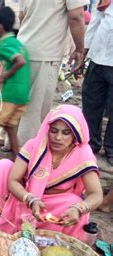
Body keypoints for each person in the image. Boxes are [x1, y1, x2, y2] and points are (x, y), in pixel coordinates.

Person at [0, 105, 103, 242]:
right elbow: (13, 180)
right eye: (53, 131)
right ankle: (0, 216)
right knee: (3, 166)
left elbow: (96, 194)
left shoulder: (82, 154)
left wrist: (78, 208)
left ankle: (49, 239)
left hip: (54, 204)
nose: (58, 137)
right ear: (47, 129)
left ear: (75, 134)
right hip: (23, 195)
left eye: (66, 133)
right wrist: (30, 199)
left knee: (74, 202)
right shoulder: (35, 145)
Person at [16, 0, 88, 146]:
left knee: (20, 105)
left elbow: (22, 16)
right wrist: (80, 49)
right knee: (35, 111)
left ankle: (12, 144)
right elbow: (76, 16)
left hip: (23, 46)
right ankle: (25, 155)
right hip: (45, 52)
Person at [0, 6, 30, 161]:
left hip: (10, 93)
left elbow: (20, 61)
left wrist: (3, 76)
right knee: (9, 127)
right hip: (22, 94)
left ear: (0, 26)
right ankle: (17, 158)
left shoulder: (5, 44)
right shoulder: (16, 42)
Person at [82, 0, 113, 165]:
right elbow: (95, 21)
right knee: (91, 103)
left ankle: (111, 149)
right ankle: (90, 143)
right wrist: (84, 51)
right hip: (98, 57)